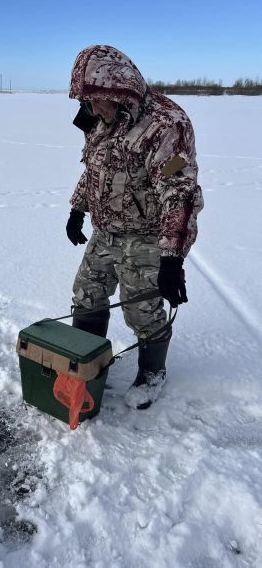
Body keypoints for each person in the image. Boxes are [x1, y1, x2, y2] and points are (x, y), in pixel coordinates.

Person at [66, 45, 203, 410]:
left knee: (140, 309)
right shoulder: (99, 118)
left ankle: (153, 372)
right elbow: (95, 169)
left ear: (118, 93)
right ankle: (87, 364)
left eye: (96, 101)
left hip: (144, 235)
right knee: (87, 294)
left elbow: (180, 192)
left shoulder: (165, 125)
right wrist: (77, 209)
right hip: (105, 230)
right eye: (87, 102)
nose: (91, 111)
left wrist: (172, 259)